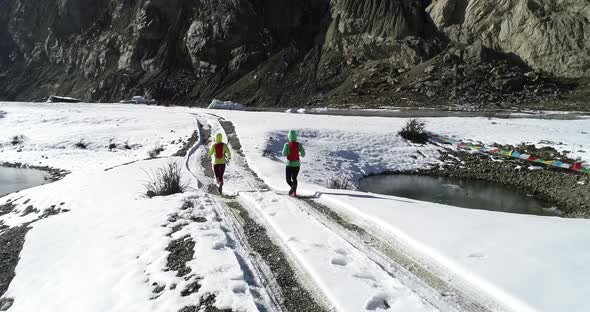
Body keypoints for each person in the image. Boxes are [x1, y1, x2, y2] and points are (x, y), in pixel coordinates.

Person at [282, 130, 305, 197]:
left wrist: (288, 152)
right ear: (295, 136)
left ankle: (292, 188)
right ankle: (294, 191)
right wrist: (299, 153)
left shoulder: (286, 145)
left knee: (288, 179)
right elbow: (303, 154)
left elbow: (283, 154)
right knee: (294, 178)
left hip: (289, 164)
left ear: (289, 136)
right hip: (297, 165)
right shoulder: (299, 145)